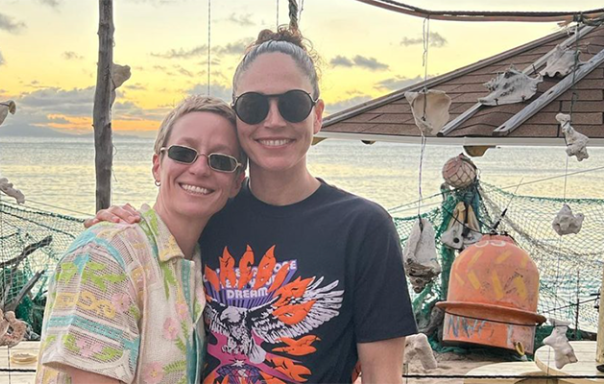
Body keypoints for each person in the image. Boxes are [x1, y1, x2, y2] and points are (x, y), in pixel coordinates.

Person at [88, 27, 417, 384]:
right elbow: (152, 255)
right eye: (253, 106)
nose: (273, 120)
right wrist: (116, 230)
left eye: (292, 104)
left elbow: (383, 377)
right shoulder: (209, 213)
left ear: (317, 114)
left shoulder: (363, 228)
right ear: (238, 116)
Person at [35, 95, 246, 384]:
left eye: (220, 160)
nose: (199, 168)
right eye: (184, 152)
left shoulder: (197, 262)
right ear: (158, 165)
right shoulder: (108, 255)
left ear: (236, 182)